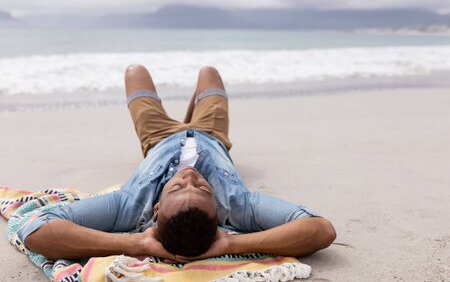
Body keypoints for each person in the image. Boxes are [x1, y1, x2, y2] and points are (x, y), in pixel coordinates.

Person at [20, 65, 336, 262]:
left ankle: (186, 117)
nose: (189, 175)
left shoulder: (128, 206)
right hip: (212, 133)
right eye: (201, 187)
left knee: (135, 71)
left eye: (178, 188)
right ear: (218, 211)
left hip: (158, 136)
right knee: (208, 72)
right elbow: (320, 230)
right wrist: (229, 244)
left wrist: (135, 243)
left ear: (157, 211)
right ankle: (195, 112)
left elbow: (35, 229)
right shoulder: (236, 205)